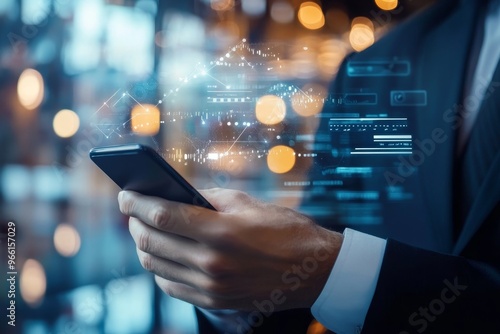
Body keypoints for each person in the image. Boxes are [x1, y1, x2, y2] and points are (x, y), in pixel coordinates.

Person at [117, 0, 500, 332]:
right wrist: (237, 293)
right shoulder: (374, 65)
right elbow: (321, 243)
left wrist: (329, 272)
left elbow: (320, 261)